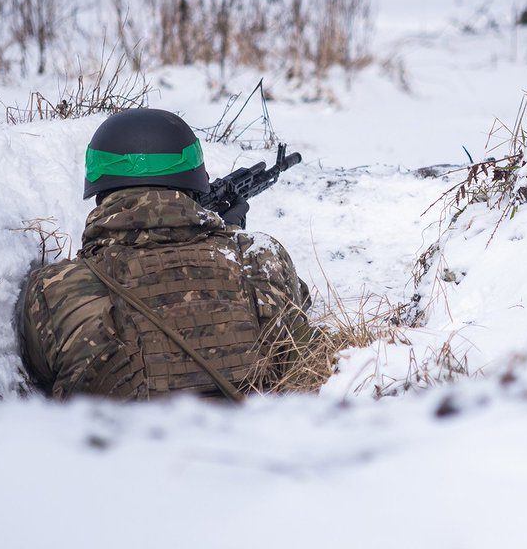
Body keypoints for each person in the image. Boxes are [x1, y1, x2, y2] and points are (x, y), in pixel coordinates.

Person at [17, 108, 310, 401]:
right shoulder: (261, 256)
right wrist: (227, 238)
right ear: (195, 179)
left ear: (100, 187)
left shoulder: (55, 288)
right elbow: (295, 315)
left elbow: (46, 372)